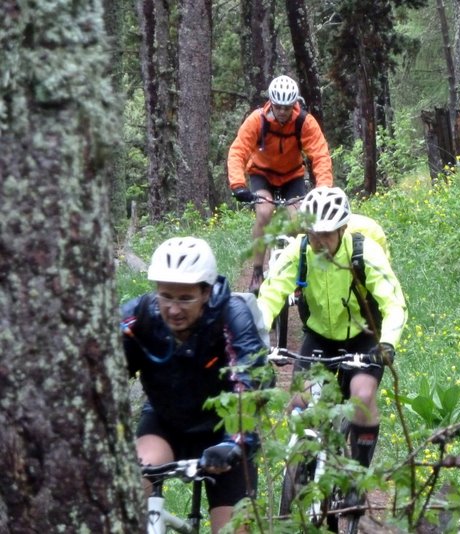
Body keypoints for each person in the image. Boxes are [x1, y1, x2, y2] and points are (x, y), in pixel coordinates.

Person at [256, 187, 407, 507]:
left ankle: (356, 477)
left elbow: (394, 303)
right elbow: (270, 296)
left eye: (327, 234)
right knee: (302, 398)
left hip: (365, 339)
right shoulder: (299, 252)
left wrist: (387, 344)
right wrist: (257, 340)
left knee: (363, 396)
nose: (319, 242)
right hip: (320, 337)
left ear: (342, 229)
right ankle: (302, 464)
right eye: (313, 234)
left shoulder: (364, 252)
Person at [121, 237, 265, 533]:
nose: (173, 309)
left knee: (234, 530)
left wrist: (232, 442)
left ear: (206, 292)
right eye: (166, 296)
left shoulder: (230, 315)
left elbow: (250, 382)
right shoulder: (140, 317)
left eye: (185, 298)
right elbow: (101, 376)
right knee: (128, 491)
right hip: (165, 424)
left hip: (225, 432)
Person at [227, 74, 334, 292]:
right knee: (264, 213)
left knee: (297, 221)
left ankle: (296, 269)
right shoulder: (257, 121)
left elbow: (320, 155)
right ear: (271, 104)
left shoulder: (304, 122)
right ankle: (257, 271)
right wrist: (238, 184)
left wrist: (323, 188)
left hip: (292, 176)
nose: (283, 111)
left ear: (294, 104)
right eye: (278, 107)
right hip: (262, 174)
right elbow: (238, 151)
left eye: (287, 107)